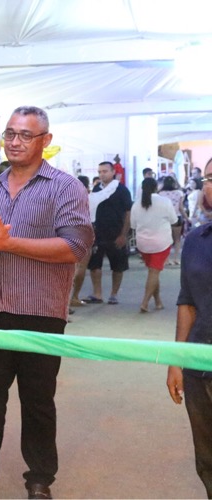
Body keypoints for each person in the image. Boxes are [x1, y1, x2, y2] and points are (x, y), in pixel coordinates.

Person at [0, 106, 93, 500]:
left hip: (39, 312)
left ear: (46, 140)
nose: (15, 141)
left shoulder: (64, 187)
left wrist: (7, 244)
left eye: (26, 135)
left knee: (38, 401)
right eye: (10, 133)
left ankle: (40, 480)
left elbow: (75, 246)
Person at [167, 159, 212, 498]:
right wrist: (176, 359)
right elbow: (187, 301)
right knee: (207, 457)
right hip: (198, 364)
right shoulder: (196, 239)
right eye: (211, 178)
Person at [80, 161, 132, 305]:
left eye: (105, 171)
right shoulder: (96, 189)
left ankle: (114, 294)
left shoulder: (121, 190)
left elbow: (128, 212)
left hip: (116, 234)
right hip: (97, 234)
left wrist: (123, 234)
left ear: (113, 172)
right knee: (94, 266)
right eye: (100, 172)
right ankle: (97, 293)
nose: (102, 174)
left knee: (117, 266)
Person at [130, 178, 176, 312]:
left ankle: (158, 301)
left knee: (153, 271)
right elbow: (174, 220)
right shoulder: (165, 202)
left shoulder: (136, 204)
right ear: (156, 187)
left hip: (143, 244)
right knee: (154, 273)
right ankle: (144, 302)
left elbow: (133, 225)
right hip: (161, 243)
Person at [159, 175, 186, 265]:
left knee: (166, 239)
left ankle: (166, 259)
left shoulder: (160, 193)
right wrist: (187, 218)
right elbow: (181, 208)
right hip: (177, 217)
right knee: (177, 239)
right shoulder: (179, 193)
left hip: (165, 218)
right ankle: (176, 258)